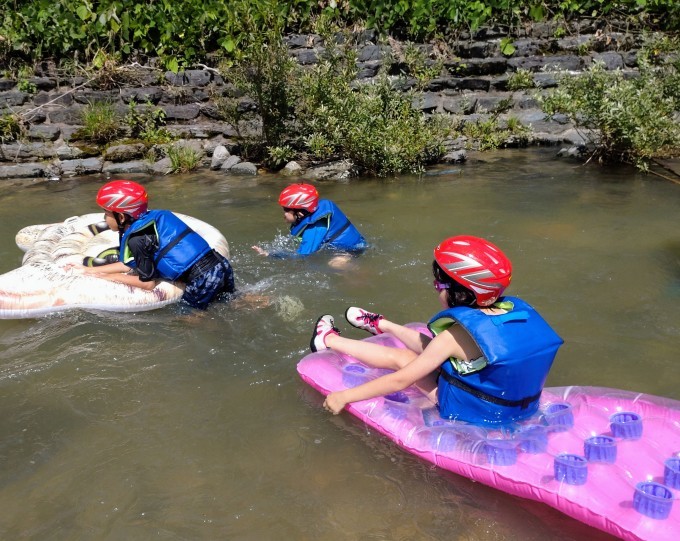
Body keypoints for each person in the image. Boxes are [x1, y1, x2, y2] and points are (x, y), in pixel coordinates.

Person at [310, 235, 564, 426]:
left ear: (462, 292)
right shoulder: (511, 313)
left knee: (404, 359)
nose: (435, 288)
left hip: (474, 410)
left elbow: (401, 379)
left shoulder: (452, 337)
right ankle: (382, 324)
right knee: (434, 351)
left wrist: (344, 396)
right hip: (518, 406)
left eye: (439, 283)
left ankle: (328, 340)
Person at [69, 180, 235, 310]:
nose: (104, 219)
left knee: (188, 319)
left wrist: (106, 277)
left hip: (202, 278)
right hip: (220, 263)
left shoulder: (137, 239)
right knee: (232, 301)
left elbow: (147, 284)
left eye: (106, 213)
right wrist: (88, 270)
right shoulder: (153, 219)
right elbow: (128, 264)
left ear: (121, 217)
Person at [252, 183, 367, 259]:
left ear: (300, 212)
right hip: (354, 244)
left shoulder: (314, 229)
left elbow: (302, 256)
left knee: (335, 264)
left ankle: (358, 278)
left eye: (286, 210)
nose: (284, 214)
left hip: (352, 250)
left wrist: (270, 254)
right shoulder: (313, 214)